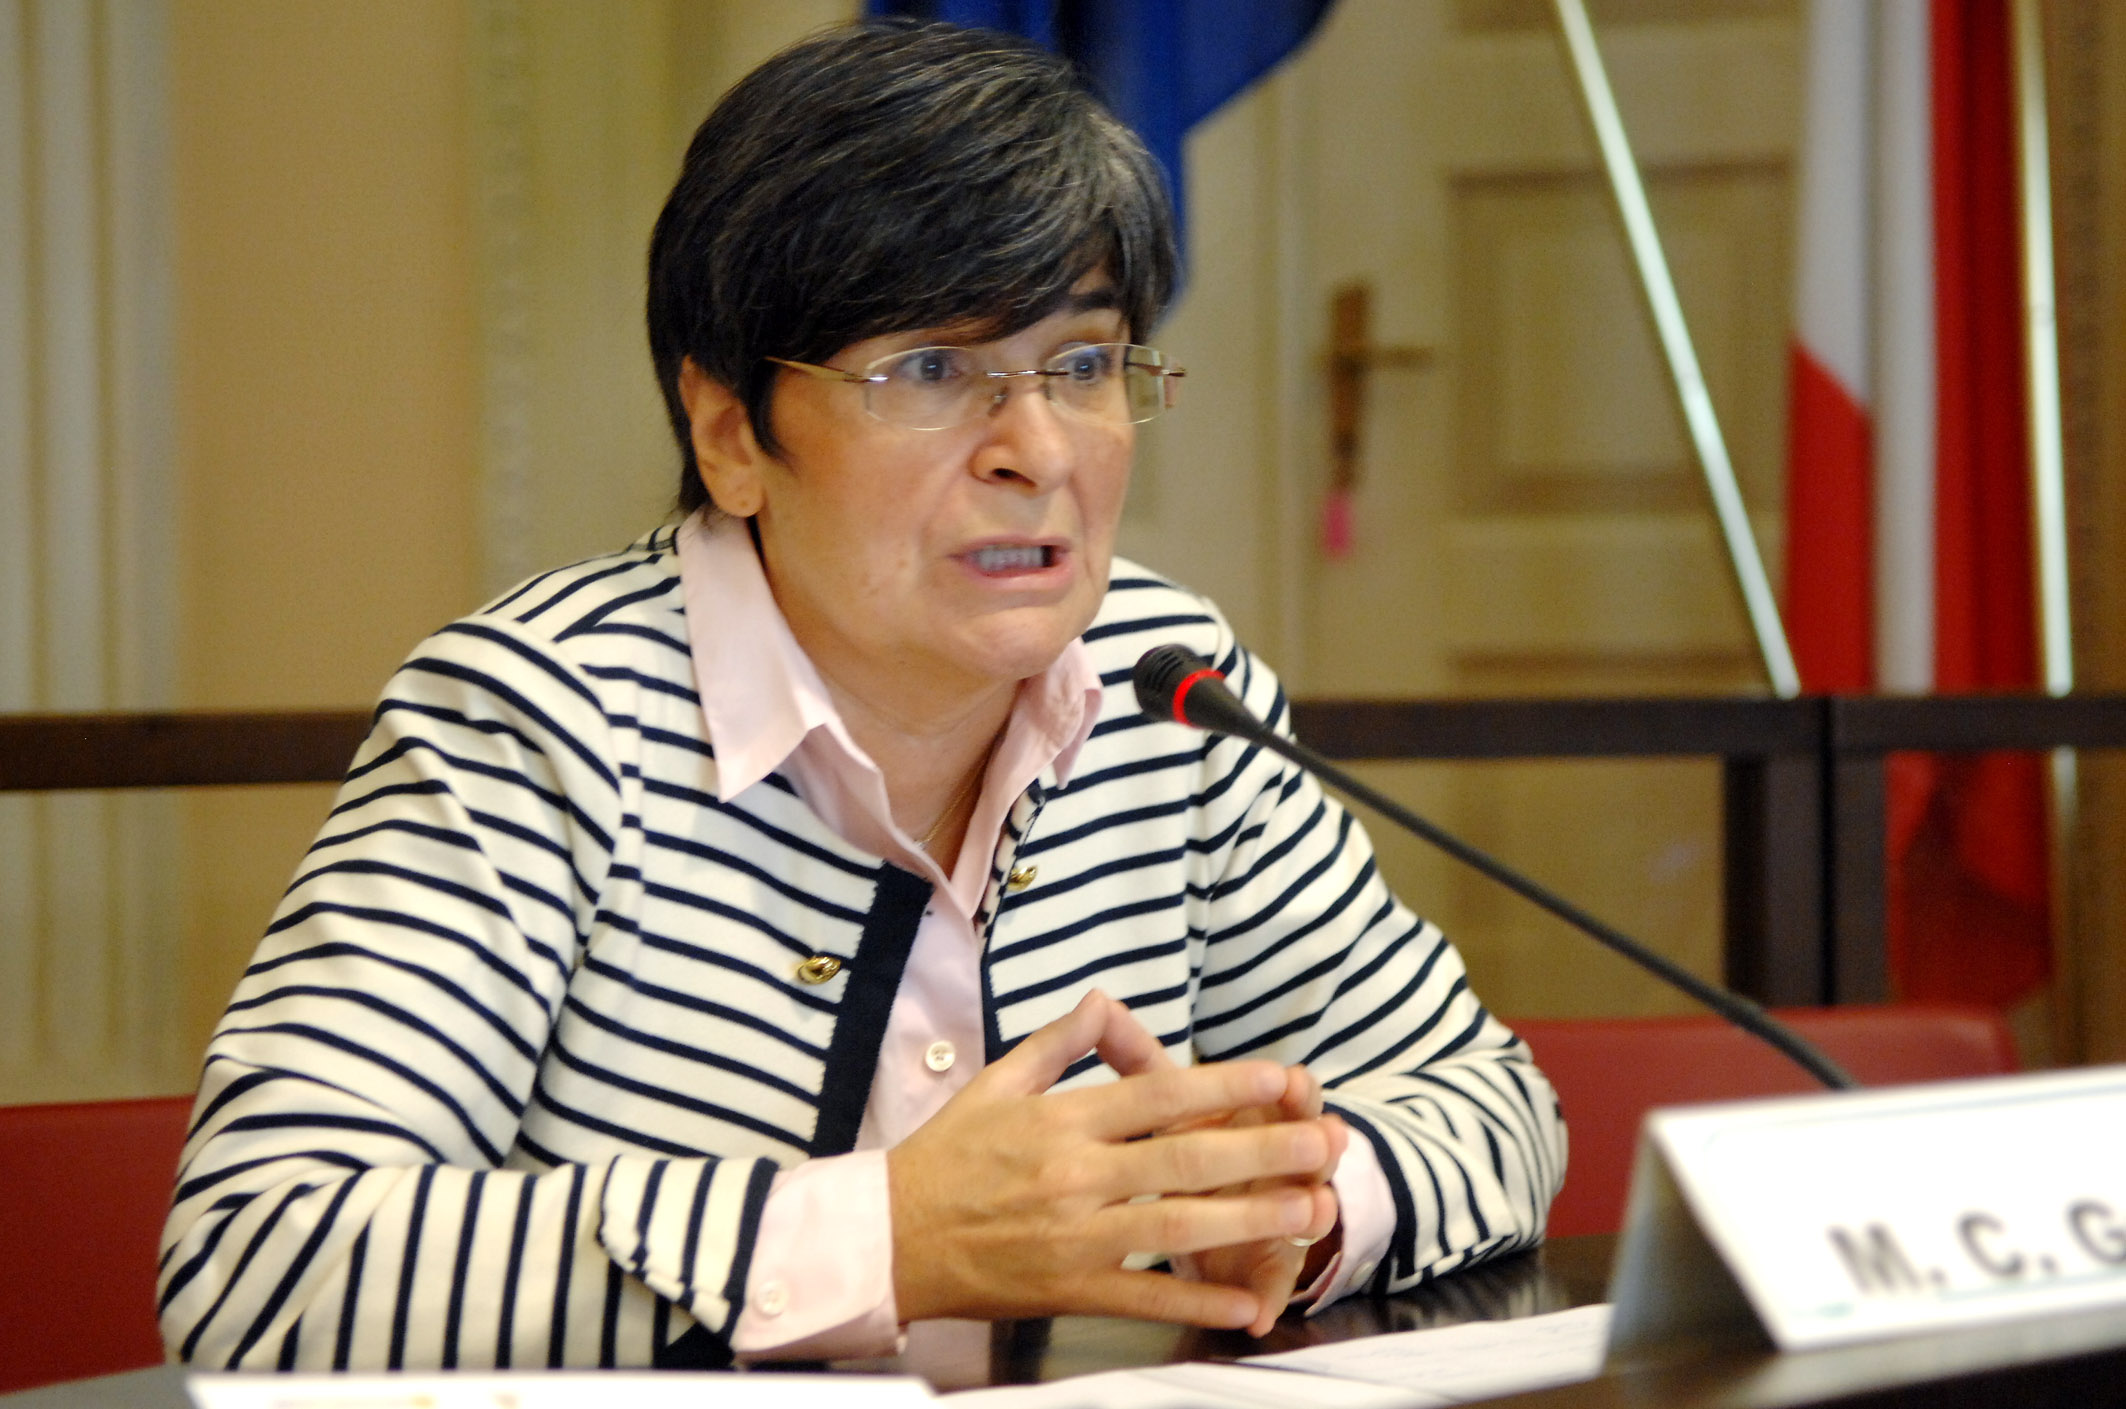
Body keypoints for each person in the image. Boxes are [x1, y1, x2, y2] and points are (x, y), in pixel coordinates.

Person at [160, 19, 1564, 1372]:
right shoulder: (539, 722)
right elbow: (258, 1263)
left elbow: (1494, 1106)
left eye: (1082, 364)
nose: (1036, 451)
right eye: (933, 369)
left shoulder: (1171, 689)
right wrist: (888, 1236)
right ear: (731, 435)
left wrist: (1303, 1209)